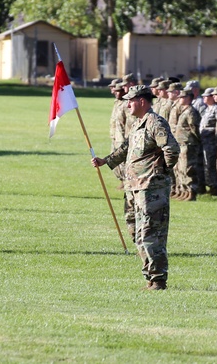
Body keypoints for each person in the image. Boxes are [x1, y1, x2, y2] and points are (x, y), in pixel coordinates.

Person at [93, 85, 180, 290]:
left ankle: (158, 279)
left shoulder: (155, 122)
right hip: (133, 188)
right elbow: (125, 148)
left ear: (142, 101)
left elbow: (172, 148)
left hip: (150, 187)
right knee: (137, 232)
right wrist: (105, 161)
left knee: (151, 232)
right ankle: (149, 276)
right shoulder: (138, 124)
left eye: (131, 100)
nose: (128, 104)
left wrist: (160, 171)